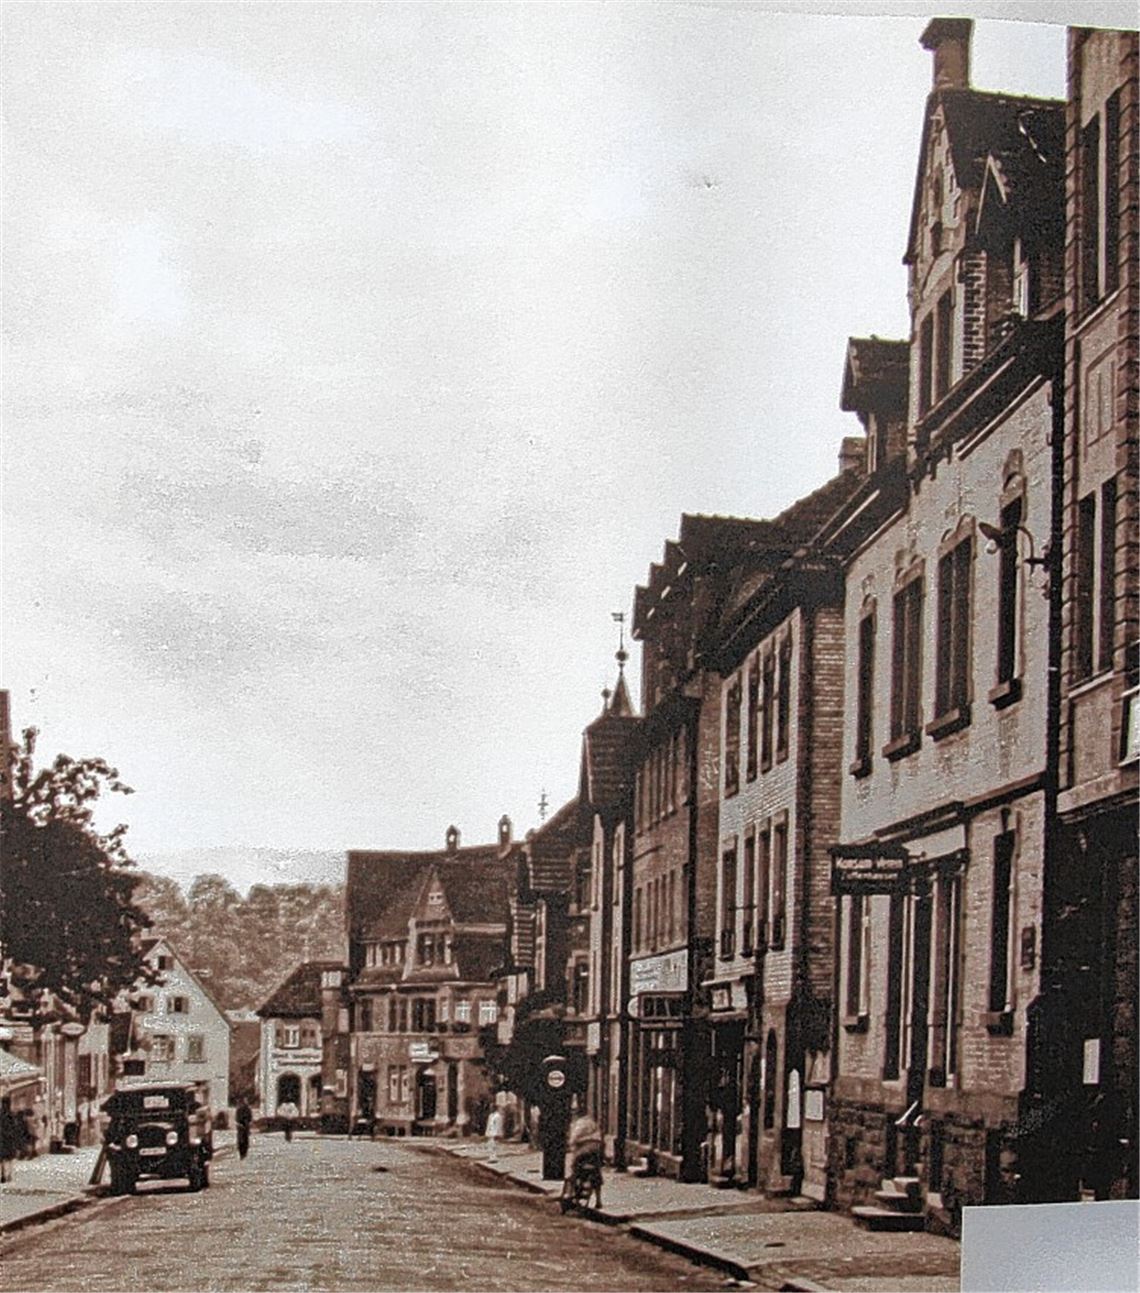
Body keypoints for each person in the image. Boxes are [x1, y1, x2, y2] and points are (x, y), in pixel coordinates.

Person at [565, 1109, 604, 1208]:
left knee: (574, 1169)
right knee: (596, 1173)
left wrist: (571, 1145)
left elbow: (573, 1139)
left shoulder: (578, 1124)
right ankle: (598, 1200)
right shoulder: (592, 1123)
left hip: (583, 1151)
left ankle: (570, 1193)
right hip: (596, 1150)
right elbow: (600, 1136)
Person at [0, 1098, 17, 1184]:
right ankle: (9, 1175)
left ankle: (3, 1174)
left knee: (2, 1158)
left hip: (1, 1138)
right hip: (9, 1139)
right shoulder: (12, 1115)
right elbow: (15, 1129)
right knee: (9, 1159)